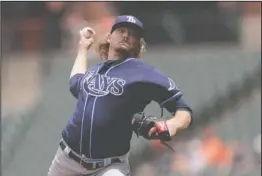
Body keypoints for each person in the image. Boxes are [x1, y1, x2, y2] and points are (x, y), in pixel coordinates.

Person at [48, 15, 193, 176]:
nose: (126, 35)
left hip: (109, 166)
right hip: (66, 160)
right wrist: (83, 48)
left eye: (132, 34)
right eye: (121, 30)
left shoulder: (144, 73)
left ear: (138, 43)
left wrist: (172, 125)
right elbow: (75, 82)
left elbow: (184, 111)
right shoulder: (95, 70)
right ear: (109, 37)